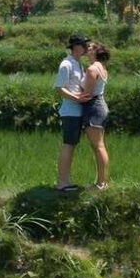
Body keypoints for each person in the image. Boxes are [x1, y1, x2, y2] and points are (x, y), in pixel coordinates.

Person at [54, 34, 91, 192]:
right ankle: (62, 182)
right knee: (68, 145)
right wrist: (76, 98)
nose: (87, 48)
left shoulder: (78, 64)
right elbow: (59, 88)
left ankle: (66, 180)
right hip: (70, 111)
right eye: (84, 45)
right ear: (76, 47)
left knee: (71, 145)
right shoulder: (66, 64)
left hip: (77, 110)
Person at [82, 42, 110, 190]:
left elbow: (87, 93)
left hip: (93, 107)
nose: (87, 49)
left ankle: (101, 183)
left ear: (95, 51)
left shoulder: (93, 69)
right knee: (99, 146)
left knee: (98, 146)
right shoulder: (102, 67)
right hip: (99, 105)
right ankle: (102, 181)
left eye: (90, 48)